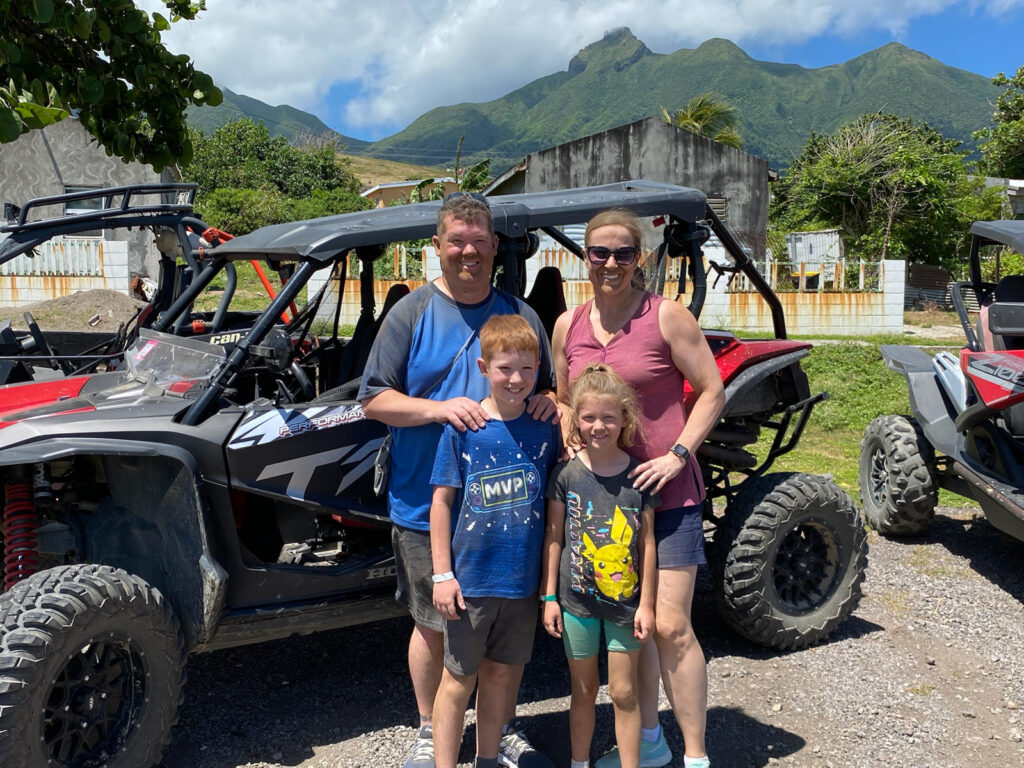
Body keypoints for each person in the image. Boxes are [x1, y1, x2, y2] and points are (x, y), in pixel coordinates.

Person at [358, 192, 557, 768]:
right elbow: (374, 399)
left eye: (478, 242)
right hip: (426, 500)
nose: (467, 252)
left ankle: (502, 729)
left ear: (495, 247)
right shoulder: (412, 312)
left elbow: (543, 388)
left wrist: (551, 404)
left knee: (502, 633)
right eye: (456, 242)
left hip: (506, 511)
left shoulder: (520, 317)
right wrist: (441, 409)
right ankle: (430, 727)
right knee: (433, 622)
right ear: (438, 248)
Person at [551, 209, 725, 768]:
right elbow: (561, 400)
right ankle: (649, 743)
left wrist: (678, 456)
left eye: (623, 253)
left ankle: (695, 756)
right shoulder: (568, 325)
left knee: (671, 625)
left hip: (666, 494)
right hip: (603, 506)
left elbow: (712, 390)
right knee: (636, 627)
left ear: (640, 259)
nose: (610, 263)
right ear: (585, 256)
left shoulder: (667, 317)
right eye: (600, 252)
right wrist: (571, 439)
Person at [429, 314, 561, 768]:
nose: (516, 379)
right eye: (505, 368)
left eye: (526, 369)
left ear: (538, 368)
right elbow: (441, 504)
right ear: (484, 367)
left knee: (501, 681)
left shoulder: (547, 428)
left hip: (521, 586)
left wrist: (547, 590)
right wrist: (442, 574)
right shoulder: (464, 428)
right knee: (457, 682)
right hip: (471, 585)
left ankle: (488, 760)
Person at [541, 363, 659, 768]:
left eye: (608, 417)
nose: (598, 426)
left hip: (627, 607)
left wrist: (647, 604)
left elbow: (647, 544)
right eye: (588, 417)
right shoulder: (566, 475)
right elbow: (554, 538)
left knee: (624, 693)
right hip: (576, 607)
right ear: (576, 418)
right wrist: (550, 597)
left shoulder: (639, 477)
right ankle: (580, 763)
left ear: (624, 418)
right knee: (584, 690)